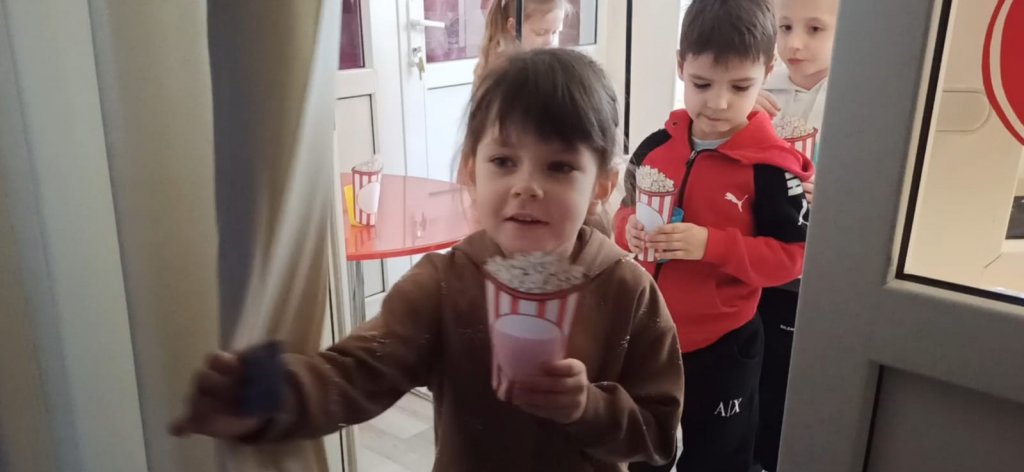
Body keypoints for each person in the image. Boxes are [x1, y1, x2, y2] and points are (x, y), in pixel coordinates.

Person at [172, 49, 684, 471]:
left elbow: (662, 436)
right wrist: (266, 398)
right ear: (471, 171)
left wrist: (588, 407)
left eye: (559, 167)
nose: (526, 186)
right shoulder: (445, 283)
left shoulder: (629, 291)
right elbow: (356, 373)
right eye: (504, 161)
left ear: (602, 185)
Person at [614, 0, 814, 470]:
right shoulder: (654, 148)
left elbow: (793, 258)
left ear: (767, 70)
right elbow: (621, 214)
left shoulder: (773, 169)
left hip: (724, 345)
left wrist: (711, 245)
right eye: (701, 84)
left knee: (719, 457)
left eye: (740, 86)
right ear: (681, 66)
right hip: (648, 337)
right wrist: (629, 230)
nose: (719, 102)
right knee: (642, 449)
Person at [753, 0, 838, 469]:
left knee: (800, 378)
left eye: (815, 29)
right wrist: (743, 111)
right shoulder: (759, 90)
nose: (794, 43)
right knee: (759, 373)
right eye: (784, 27)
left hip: (819, 266)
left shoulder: (857, 97)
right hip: (761, 259)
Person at [475, 0, 572, 83]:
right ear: (514, 27)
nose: (549, 41)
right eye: (541, 32)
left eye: (555, 32)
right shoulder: (504, 73)